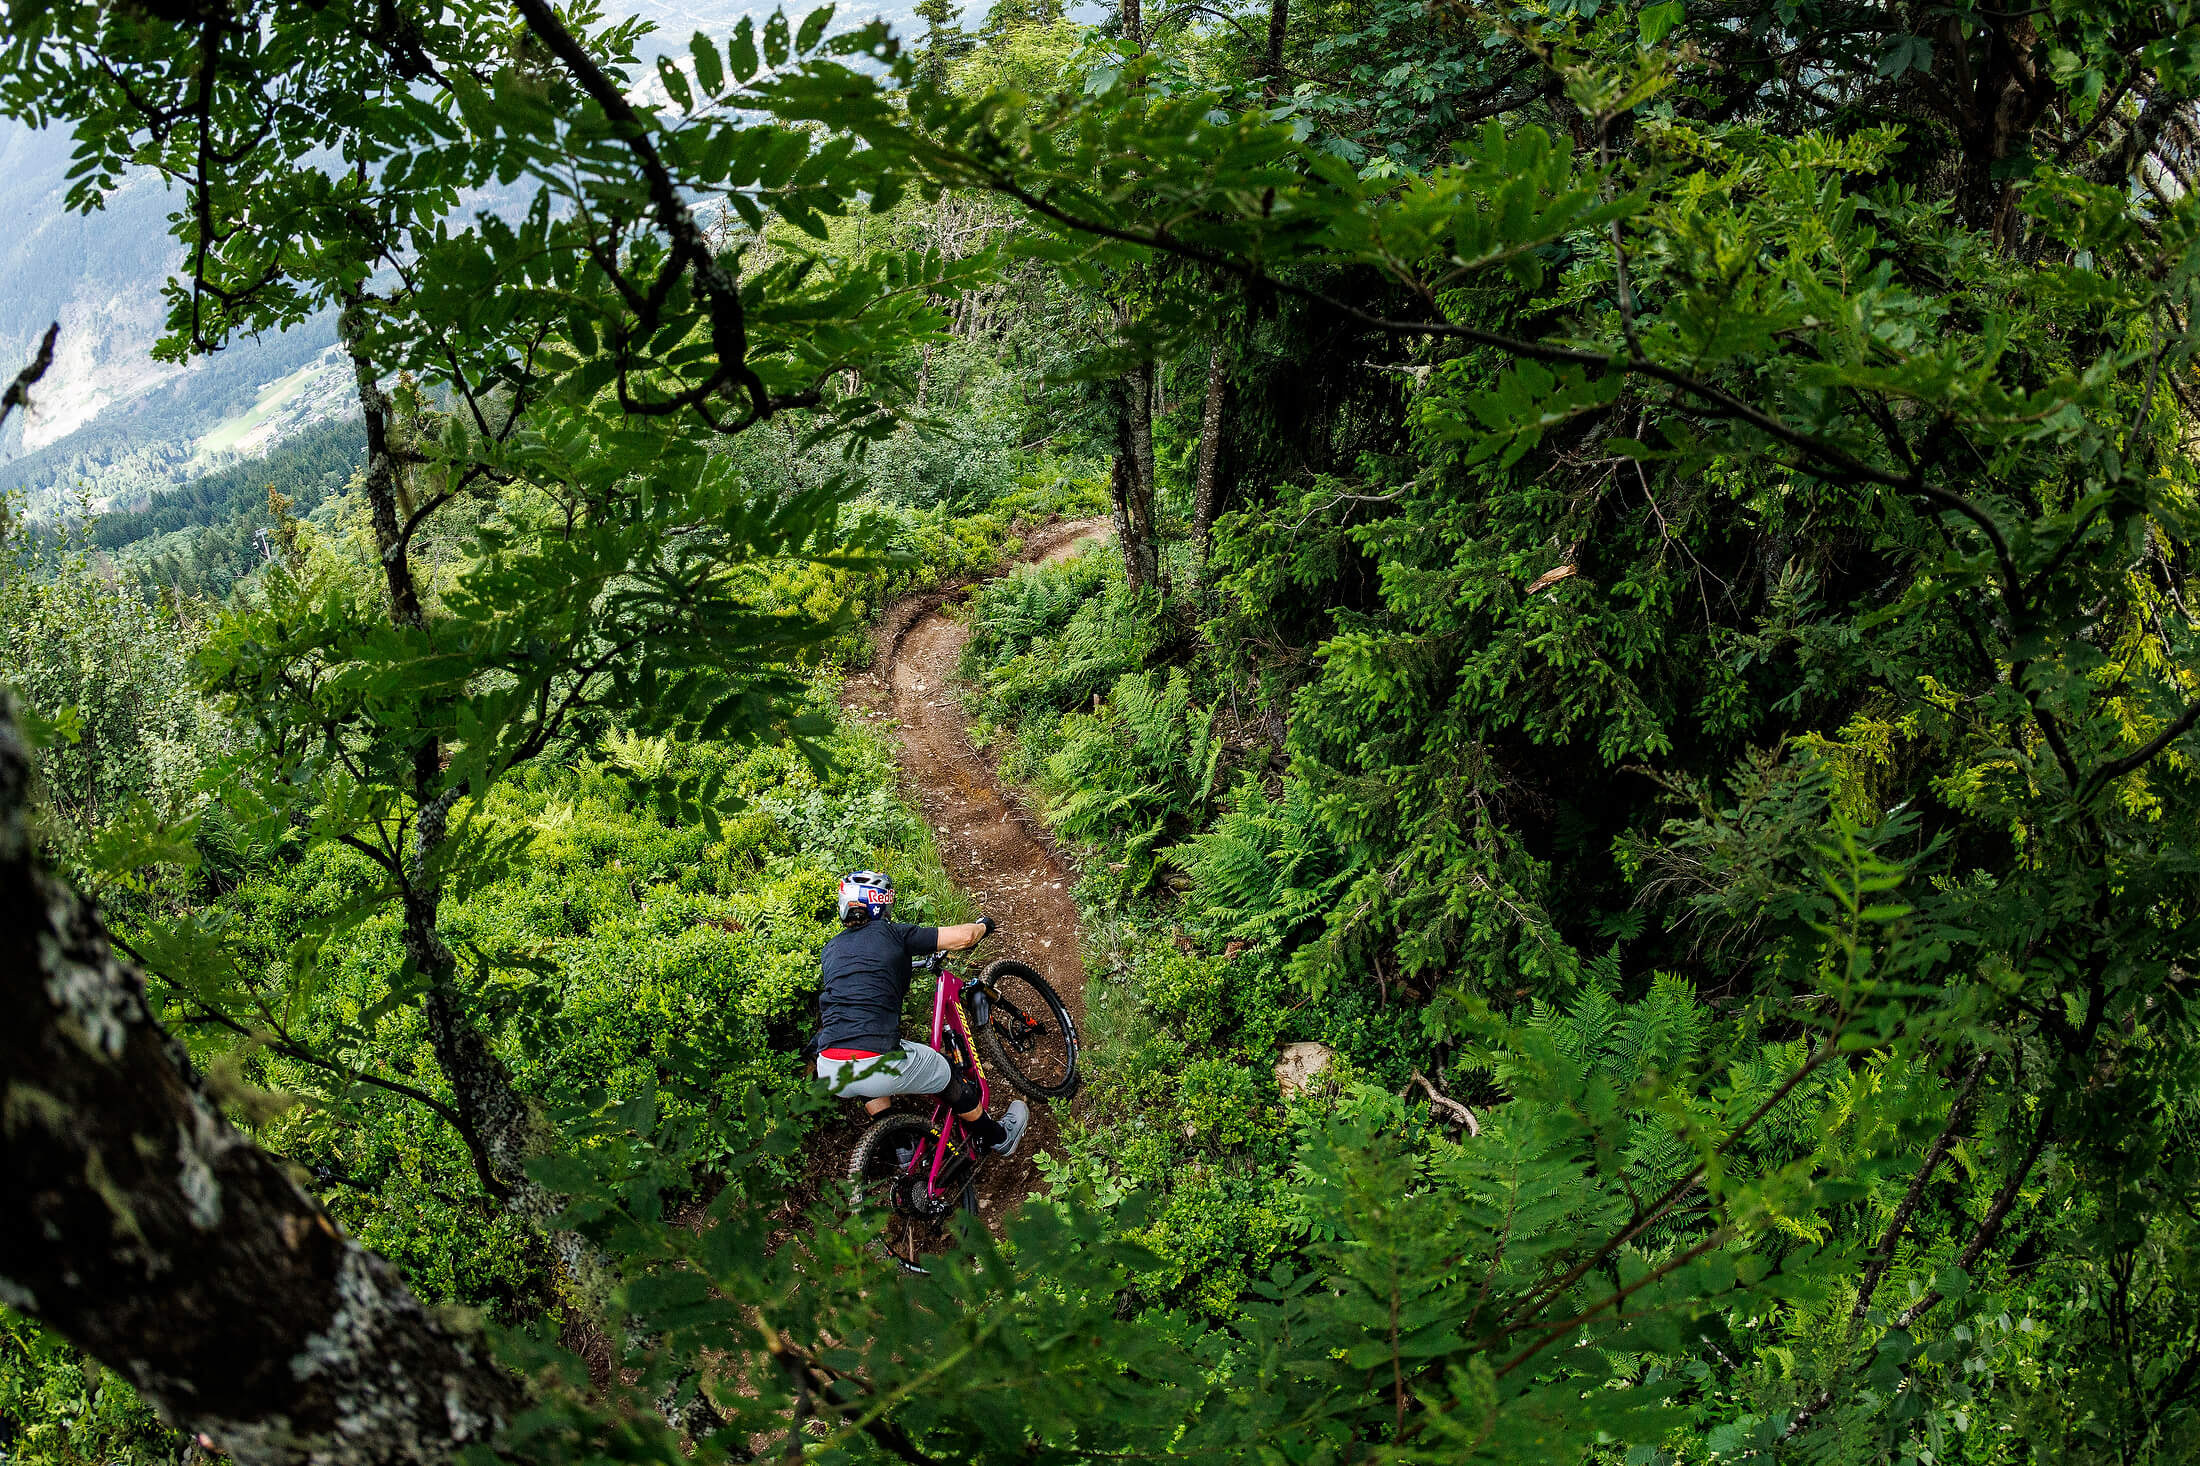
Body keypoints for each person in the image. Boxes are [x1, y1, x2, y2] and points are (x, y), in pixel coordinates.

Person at [812, 870, 1030, 1156]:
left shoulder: (830, 950)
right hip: (875, 1058)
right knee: (945, 1072)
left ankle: (902, 1150)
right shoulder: (892, 934)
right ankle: (998, 1137)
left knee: (865, 1075)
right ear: (882, 904)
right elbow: (964, 938)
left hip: (829, 1065)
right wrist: (983, 926)